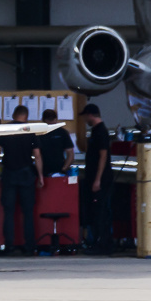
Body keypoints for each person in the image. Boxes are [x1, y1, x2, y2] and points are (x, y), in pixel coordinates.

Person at [0, 104, 43, 254]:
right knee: (28, 212)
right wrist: (40, 176)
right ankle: (29, 247)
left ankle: (8, 246)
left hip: (9, 173)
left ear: (13, 115)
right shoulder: (30, 131)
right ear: (26, 117)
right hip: (27, 174)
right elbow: (38, 155)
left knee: (8, 212)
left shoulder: (5, 130)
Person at [80, 103, 115, 254]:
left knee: (100, 212)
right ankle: (98, 242)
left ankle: (103, 244)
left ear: (90, 114)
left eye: (86, 116)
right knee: (95, 211)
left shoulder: (101, 132)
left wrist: (97, 180)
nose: (85, 119)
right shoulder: (95, 131)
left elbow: (103, 156)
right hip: (94, 177)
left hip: (100, 179)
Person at [38, 108, 76, 176]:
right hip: (57, 169)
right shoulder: (62, 132)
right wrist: (64, 169)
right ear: (56, 119)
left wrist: (63, 169)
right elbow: (70, 154)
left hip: (45, 170)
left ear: (43, 120)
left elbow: (36, 154)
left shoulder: (39, 133)